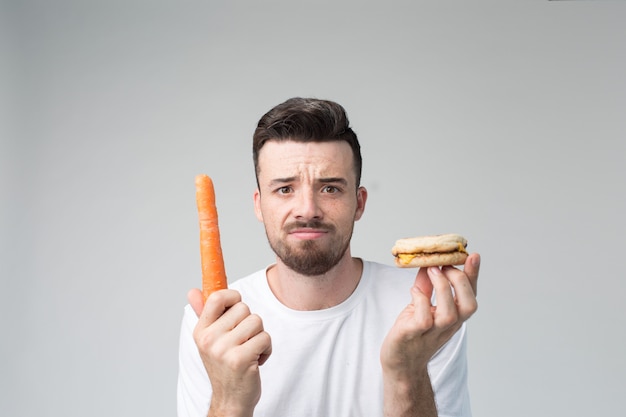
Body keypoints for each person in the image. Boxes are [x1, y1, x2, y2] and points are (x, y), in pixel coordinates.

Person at [177, 97, 481, 417]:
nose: (307, 209)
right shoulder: (213, 326)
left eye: (330, 189)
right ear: (258, 204)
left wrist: (407, 374)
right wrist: (230, 399)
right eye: (284, 189)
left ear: (359, 202)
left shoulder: (428, 309)